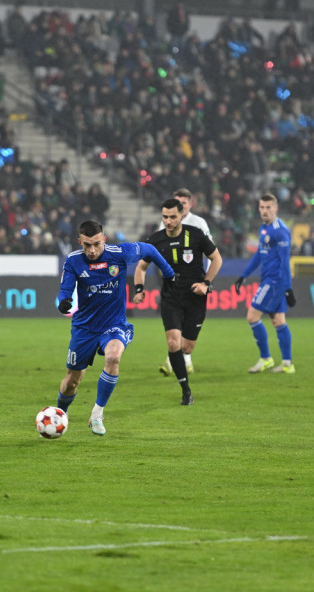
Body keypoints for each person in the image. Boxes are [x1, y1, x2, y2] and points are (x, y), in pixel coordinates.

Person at [55, 219, 176, 436]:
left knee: (113, 358)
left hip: (114, 324)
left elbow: (149, 249)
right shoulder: (73, 261)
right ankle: (59, 415)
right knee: (71, 382)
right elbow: (65, 289)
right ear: (79, 242)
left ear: (104, 239)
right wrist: (64, 301)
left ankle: (97, 415)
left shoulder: (119, 253)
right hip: (84, 328)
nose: (92, 250)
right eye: (86, 245)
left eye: (96, 244)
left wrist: (169, 274)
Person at [134, 198, 222, 405]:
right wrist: (139, 289)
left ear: (182, 215)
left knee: (187, 346)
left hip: (195, 298)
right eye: (165, 217)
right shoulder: (155, 240)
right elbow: (141, 268)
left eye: (173, 216)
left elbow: (217, 259)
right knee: (173, 342)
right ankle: (186, 390)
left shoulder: (196, 235)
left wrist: (206, 283)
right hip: (171, 298)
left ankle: (179, 364)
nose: (168, 221)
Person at [234, 193, 296, 374]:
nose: (264, 211)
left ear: (275, 208)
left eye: (268, 207)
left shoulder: (280, 230)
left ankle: (266, 359)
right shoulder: (264, 228)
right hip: (269, 279)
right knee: (278, 321)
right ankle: (287, 364)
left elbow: (285, 262)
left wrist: (288, 288)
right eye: (261, 207)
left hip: (274, 281)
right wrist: (244, 275)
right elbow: (259, 255)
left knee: (252, 317)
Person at [157, 187, 212, 376]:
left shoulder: (199, 224)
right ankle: (175, 360)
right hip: (172, 285)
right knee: (174, 325)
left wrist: (207, 280)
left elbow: (213, 253)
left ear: (190, 204)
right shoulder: (164, 224)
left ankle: (183, 357)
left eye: (184, 203)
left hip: (194, 282)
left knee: (188, 331)